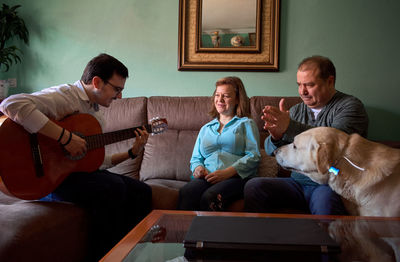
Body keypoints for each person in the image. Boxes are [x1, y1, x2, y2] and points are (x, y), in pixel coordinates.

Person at [0, 53, 152, 260]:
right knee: (112, 188)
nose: (119, 97)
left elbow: (96, 162)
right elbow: (11, 104)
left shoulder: (95, 113)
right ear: (97, 82)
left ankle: (134, 254)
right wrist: (64, 137)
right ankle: (104, 257)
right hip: (44, 178)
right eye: (117, 89)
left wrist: (132, 152)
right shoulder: (65, 96)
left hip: (69, 175)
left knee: (141, 191)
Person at [244, 55, 369, 215]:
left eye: (309, 85)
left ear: (330, 81)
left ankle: (327, 240)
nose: (302, 91)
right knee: (254, 186)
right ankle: (260, 239)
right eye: (299, 85)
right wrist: (276, 137)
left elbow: (334, 142)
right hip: (297, 182)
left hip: (330, 183)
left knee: (326, 202)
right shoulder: (296, 110)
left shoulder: (350, 107)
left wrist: (289, 127)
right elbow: (269, 151)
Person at [178, 76, 261, 211]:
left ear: (237, 99)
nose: (220, 100)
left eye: (226, 96)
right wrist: (198, 169)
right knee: (186, 192)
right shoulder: (206, 128)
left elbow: (254, 156)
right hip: (207, 178)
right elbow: (196, 158)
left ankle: (211, 233)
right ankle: (184, 232)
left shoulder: (246, 124)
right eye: (217, 95)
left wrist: (227, 173)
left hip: (235, 179)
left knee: (210, 197)